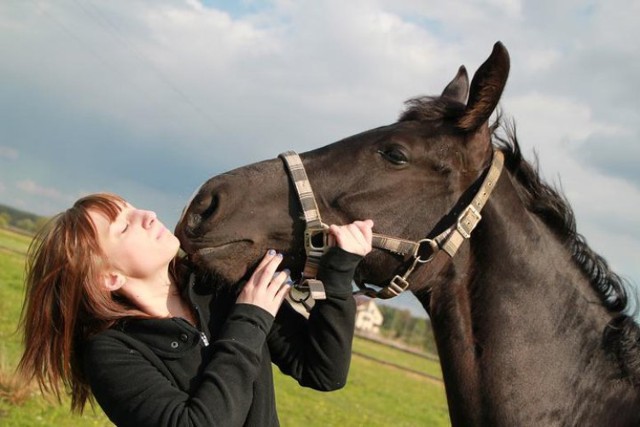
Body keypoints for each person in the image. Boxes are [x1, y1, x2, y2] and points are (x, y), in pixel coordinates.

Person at [18, 192, 373, 426]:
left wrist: (338, 273)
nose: (147, 214)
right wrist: (249, 320)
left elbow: (323, 372)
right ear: (108, 278)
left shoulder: (217, 286)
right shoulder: (112, 352)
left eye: (131, 207)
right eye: (124, 226)